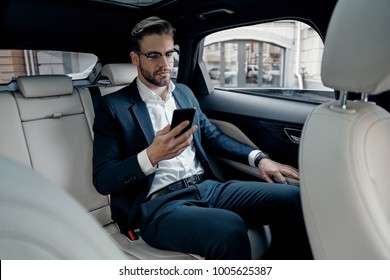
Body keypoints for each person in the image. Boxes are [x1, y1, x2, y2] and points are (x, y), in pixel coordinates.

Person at [92, 16, 312, 260]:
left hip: (206, 188)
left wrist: (259, 158)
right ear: (136, 59)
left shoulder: (184, 93)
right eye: (154, 55)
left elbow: (213, 137)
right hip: (159, 206)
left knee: (295, 197)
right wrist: (151, 155)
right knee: (228, 229)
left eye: (169, 53)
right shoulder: (112, 106)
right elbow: (103, 179)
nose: (165, 63)